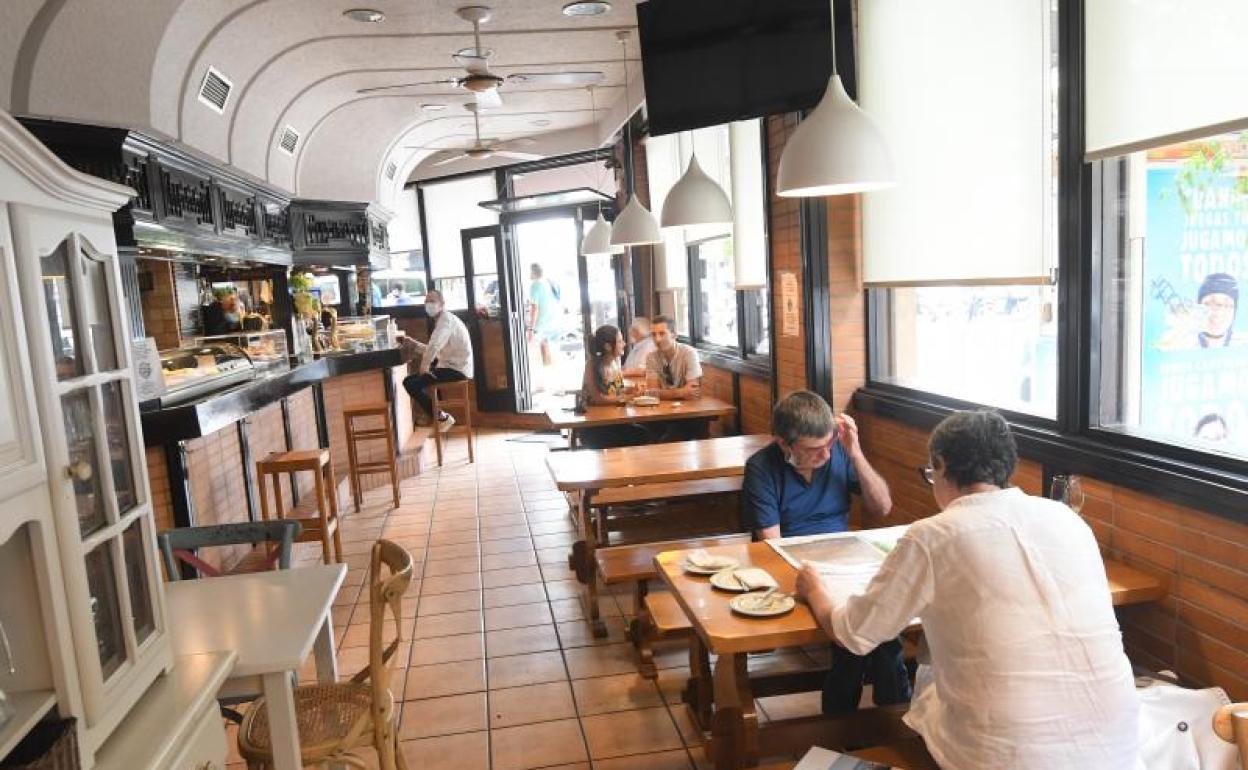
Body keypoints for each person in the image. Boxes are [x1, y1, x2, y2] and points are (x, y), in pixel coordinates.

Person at [796, 410, 1139, 770]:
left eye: (931, 473)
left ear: (941, 465)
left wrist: (814, 589)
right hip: (1117, 747)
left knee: (931, 693)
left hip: (1003, 756)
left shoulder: (934, 535)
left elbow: (855, 633)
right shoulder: (1069, 520)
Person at [742, 391, 905, 715]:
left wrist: (855, 453)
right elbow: (773, 546)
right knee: (867, 635)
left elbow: (883, 507)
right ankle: (883, 720)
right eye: (814, 450)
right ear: (784, 444)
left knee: (881, 624)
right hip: (797, 567)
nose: (826, 456)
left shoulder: (840, 454)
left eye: (829, 445)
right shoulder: (762, 467)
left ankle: (866, 721)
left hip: (847, 559)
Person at [401, 289, 473, 432]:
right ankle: (440, 416)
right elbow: (437, 349)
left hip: (457, 369)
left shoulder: (446, 320)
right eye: (426, 301)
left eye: (432, 301)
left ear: (442, 304)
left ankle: (442, 418)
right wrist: (414, 344)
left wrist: (425, 366)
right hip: (449, 366)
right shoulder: (443, 320)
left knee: (413, 385)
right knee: (408, 381)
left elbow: (435, 346)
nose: (429, 304)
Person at [577, 325, 650, 448]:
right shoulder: (592, 365)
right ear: (608, 346)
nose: (624, 344)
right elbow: (598, 399)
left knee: (647, 433)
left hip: (617, 420)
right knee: (643, 436)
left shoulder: (615, 362)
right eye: (620, 341)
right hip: (595, 426)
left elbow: (617, 390)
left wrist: (632, 389)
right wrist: (629, 397)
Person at [645, 314, 702, 400]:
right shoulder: (651, 357)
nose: (657, 339)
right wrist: (682, 392)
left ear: (674, 335)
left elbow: (693, 392)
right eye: (653, 335)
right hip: (662, 408)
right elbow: (651, 393)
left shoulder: (689, 353)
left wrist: (661, 394)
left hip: (689, 407)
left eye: (662, 334)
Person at [526, 263, 561, 366]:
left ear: (533, 272)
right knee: (550, 349)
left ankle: (547, 368)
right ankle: (551, 368)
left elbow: (534, 308)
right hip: (555, 321)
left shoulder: (535, 285)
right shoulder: (550, 282)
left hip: (543, 322)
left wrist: (531, 329)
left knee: (542, 349)